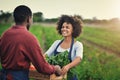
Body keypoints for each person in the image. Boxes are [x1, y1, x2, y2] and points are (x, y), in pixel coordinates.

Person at [0, 5, 61, 80]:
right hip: (18, 77)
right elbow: (41, 67)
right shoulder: (29, 38)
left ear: (15, 18)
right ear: (28, 19)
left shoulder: (5, 35)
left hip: (3, 76)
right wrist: (55, 68)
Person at [44, 15, 83, 80]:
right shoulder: (56, 43)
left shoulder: (77, 45)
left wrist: (68, 66)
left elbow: (78, 58)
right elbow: (46, 55)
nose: (64, 29)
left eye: (67, 27)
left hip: (70, 77)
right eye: (62, 27)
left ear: (73, 30)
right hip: (57, 77)